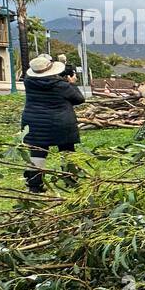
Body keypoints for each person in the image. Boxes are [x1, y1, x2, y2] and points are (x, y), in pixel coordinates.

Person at [20, 53, 86, 193]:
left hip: (34, 122)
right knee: (67, 151)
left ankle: (34, 186)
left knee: (37, 153)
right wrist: (71, 83)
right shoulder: (61, 85)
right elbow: (79, 99)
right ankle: (70, 180)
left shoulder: (28, 82)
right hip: (60, 122)